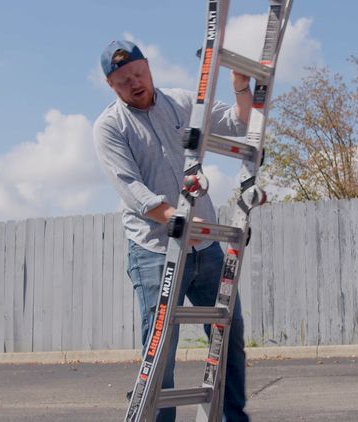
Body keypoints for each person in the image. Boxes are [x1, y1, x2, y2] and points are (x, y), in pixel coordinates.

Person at [92, 40, 252, 422]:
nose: (134, 83)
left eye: (138, 73)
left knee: (229, 335)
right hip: (154, 251)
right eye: (122, 80)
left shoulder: (182, 102)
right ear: (110, 86)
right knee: (159, 350)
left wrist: (241, 85)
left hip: (206, 250)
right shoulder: (110, 127)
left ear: (149, 66)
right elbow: (131, 189)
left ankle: (233, 417)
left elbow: (239, 122)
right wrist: (176, 218)